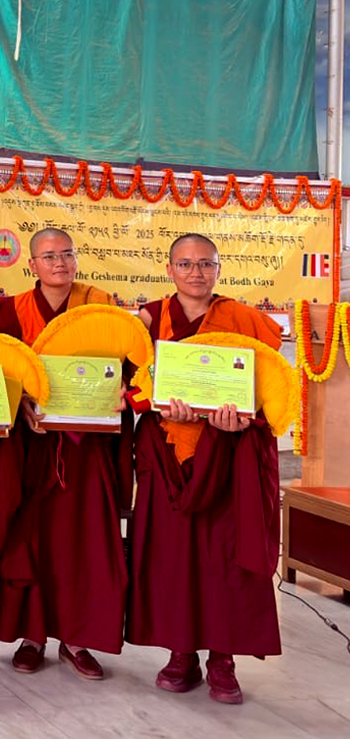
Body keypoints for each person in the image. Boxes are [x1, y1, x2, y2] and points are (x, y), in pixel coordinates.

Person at [130, 233, 283, 704]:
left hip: (226, 453)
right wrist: (155, 407)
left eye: (206, 264)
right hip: (168, 452)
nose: (196, 273)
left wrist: (243, 421)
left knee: (224, 560)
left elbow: (268, 388)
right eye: (186, 264)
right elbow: (132, 386)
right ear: (170, 268)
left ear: (219, 268)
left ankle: (223, 660)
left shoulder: (245, 320)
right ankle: (181, 654)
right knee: (171, 558)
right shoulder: (148, 319)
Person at [0, 228, 125, 680]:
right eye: (49, 256)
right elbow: (2, 372)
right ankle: (33, 636)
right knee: (35, 539)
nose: (60, 263)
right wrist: (19, 401)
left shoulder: (100, 306)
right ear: (33, 266)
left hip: (86, 449)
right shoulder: (11, 311)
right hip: (34, 443)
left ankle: (77, 638)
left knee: (83, 542)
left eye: (67, 254)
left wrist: (121, 390)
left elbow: (124, 362)